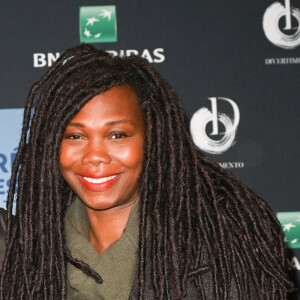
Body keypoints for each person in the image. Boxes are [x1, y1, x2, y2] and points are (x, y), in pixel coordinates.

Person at [0, 44, 293, 299]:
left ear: (153, 138)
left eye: (118, 135)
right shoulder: (25, 253)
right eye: (75, 136)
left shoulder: (218, 248)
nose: (95, 157)